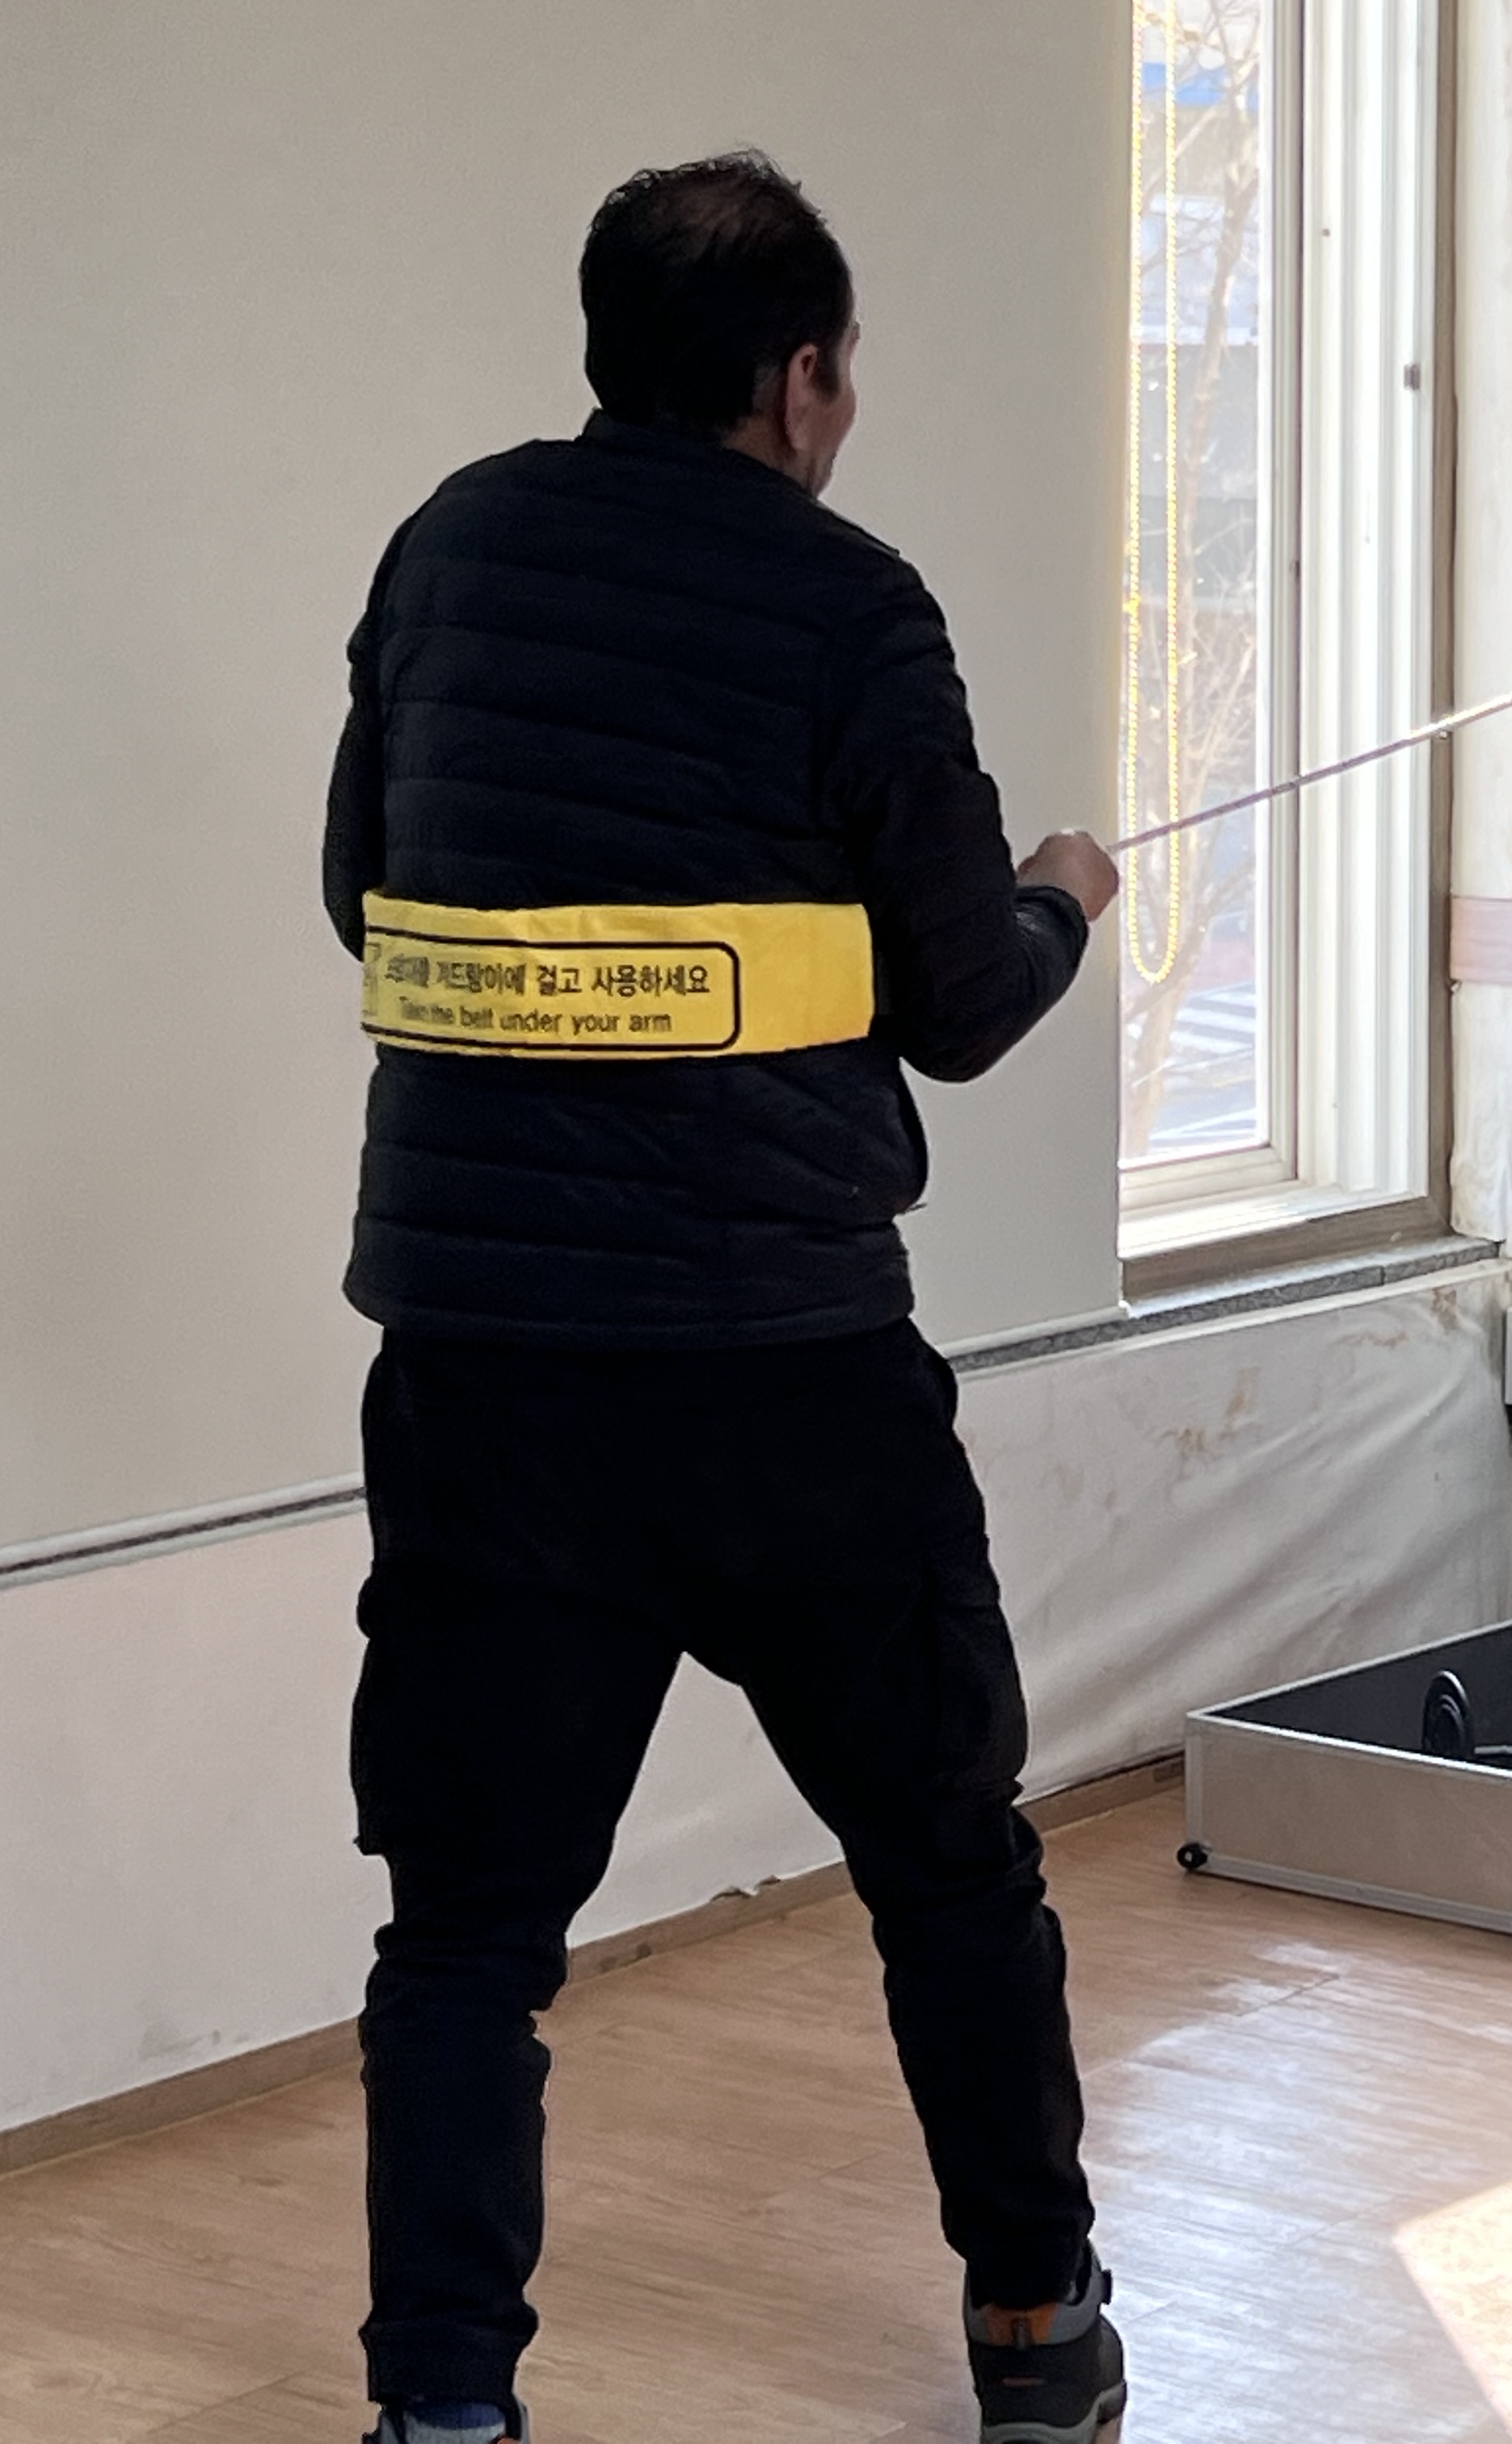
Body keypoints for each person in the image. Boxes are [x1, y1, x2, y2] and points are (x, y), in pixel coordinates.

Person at [325, 155, 1127, 2444]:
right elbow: (959, 1005)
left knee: (465, 1938)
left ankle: (443, 2412)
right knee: (949, 1869)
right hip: (787, 1380)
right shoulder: (851, 607)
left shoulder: (448, 551)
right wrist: (1062, 900)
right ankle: (1033, 2333)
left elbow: (362, 891)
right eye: (843, 375)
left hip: (483, 1378)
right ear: (798, 381)